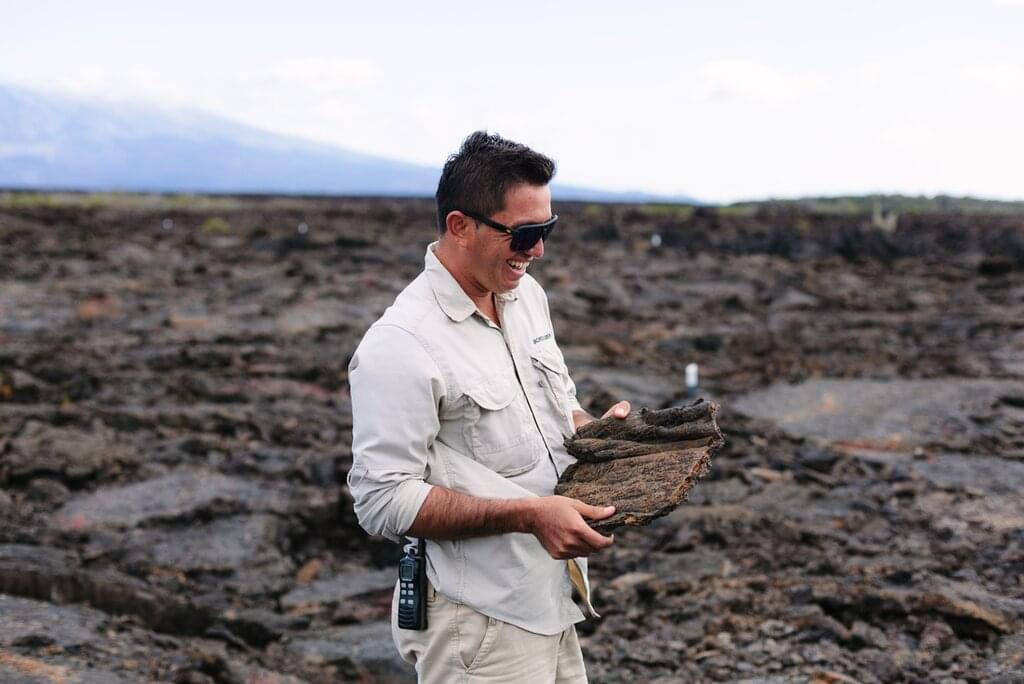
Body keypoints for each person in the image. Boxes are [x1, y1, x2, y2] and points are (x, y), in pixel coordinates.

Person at [347, 130, 630, 683]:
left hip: (552, 597)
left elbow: (557, 411)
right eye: (524, 233)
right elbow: (381, 498)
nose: (537, 250)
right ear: (460, 226)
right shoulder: (402, 344)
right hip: (477, 624)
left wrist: (601, 436)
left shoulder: (526, 298)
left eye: (547, 229)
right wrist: (528, 515)